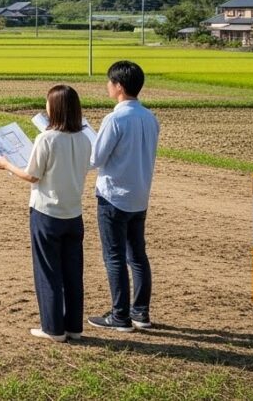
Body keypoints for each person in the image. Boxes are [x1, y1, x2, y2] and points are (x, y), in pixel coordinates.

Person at [0, 84, 91, 343]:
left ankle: (53, 328)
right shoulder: (84, 139)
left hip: (47, 213)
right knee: (73, 273)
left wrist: (6, 165)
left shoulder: (47, 139)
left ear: (55, 108)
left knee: (48, 271)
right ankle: (73, 327)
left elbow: (32, 175)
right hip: (74, 214)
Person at [86, 60, 159, 332]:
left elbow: (95, 158)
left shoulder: (114, 119)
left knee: (114, 257)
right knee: (137, 256)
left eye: (110, 82)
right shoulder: (150, 118)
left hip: (113, 196)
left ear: (119, 86)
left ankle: (119, 316)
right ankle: (140, 312)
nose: (107, 86)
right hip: (139, 195)